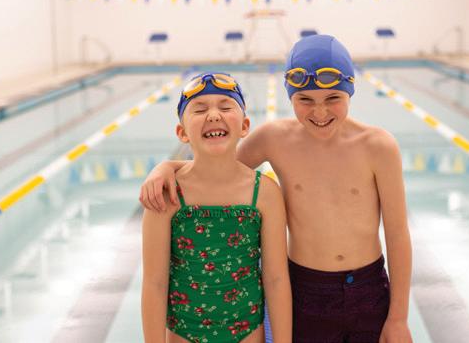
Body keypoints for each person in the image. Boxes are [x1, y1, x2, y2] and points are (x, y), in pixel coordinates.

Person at [141, 35, 413, 343]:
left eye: (333, 98)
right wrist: (166, 167)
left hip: (368, 289)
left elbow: (397, 233)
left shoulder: (378, 147)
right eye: (305, 100)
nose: (320, 113)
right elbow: (217, 166)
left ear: (351, 91)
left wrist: (398, 318)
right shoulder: (275, 139)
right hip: (305, 290)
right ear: (290, 96)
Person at [141, 72, 291, 343]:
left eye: (225, 107)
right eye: (199, 110)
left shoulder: (265, 193)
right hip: (184, 333)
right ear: (182, 133)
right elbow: (154, 283)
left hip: (248, 333)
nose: (213, 115)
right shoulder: (166, 195)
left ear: (244, 126)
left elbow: (276, 279)